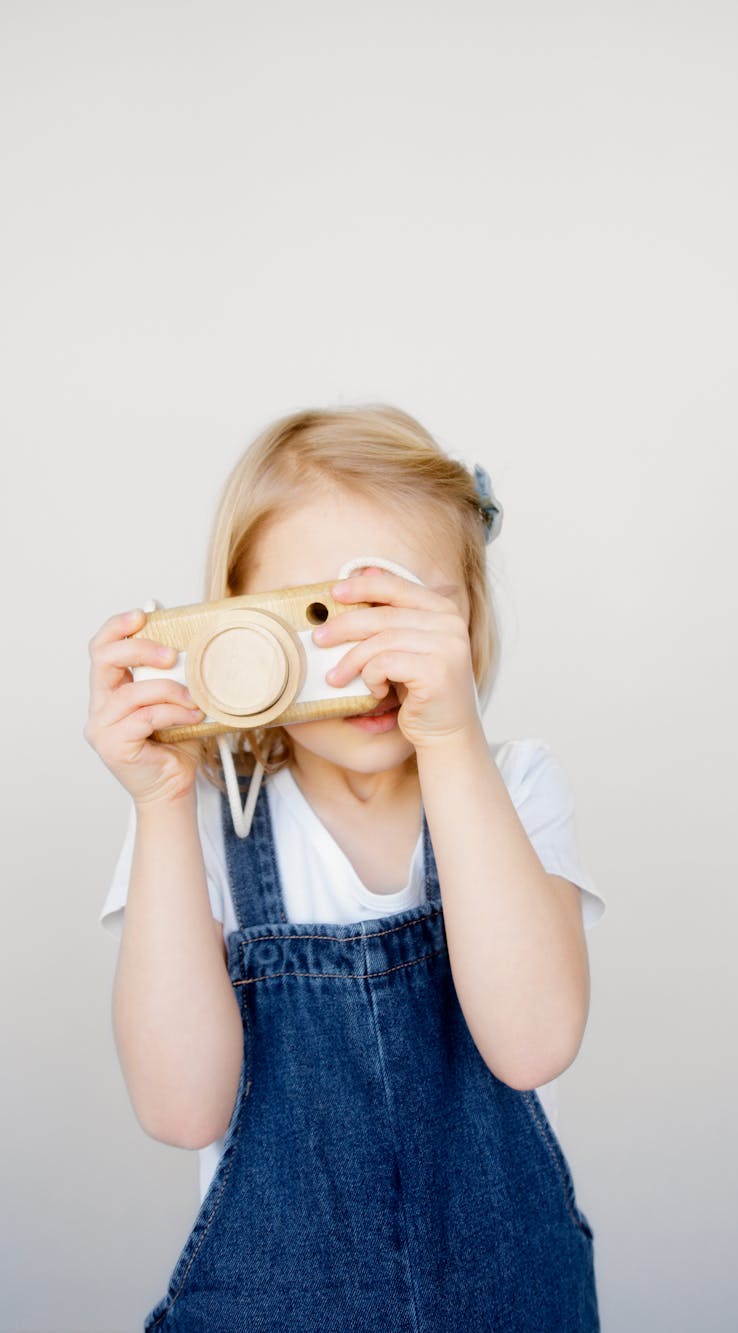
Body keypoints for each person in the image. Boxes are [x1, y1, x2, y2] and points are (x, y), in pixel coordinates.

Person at [87, 403, 606, 1331]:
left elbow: (531, 1045)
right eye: (312, 617)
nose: (358, 660)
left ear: (467, 618)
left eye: (395, 612)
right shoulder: (199, 817)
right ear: (232, 632)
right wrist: (160, 801)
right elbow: (179, 1107)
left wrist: (449, 736)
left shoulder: (514, 787)